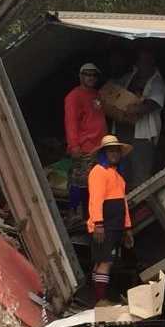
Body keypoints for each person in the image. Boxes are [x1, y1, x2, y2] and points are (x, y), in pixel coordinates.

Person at [87, 135, 134, 305]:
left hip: (115, 225)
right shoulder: (98, 172)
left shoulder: (118, 176)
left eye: (116, 151)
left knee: (103, 260)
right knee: (105, 261)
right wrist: (98, 224)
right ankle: (100, 299)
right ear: (104, 153)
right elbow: (95, 200)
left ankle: (98, 297)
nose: (114, 154)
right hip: (104, 225)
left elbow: (124, 203)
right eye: (110, 151)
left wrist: (127, 228)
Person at [113, 48, 165, 189]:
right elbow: (112, 90)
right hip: (122, 132)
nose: (142, 64)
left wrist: (132, 109)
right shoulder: (131, 76)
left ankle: (140, 208)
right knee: (121, 172)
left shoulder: (157, 82)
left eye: (146, 61)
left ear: (152, 62)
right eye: (141, 60)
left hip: (142, 136)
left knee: (140, 175)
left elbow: (151, 105)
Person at [63, 63, 107, 224]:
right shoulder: (74, 96)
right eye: (87, 74)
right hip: (84, 148)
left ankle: (91, 216)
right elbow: (71, 122)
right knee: (79, 184)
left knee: (96, 185)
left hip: (99, 147)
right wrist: (74, 145)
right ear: (81, 76)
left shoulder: (97, 95)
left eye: (94, 75)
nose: (91, 77)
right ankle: (75, 216)